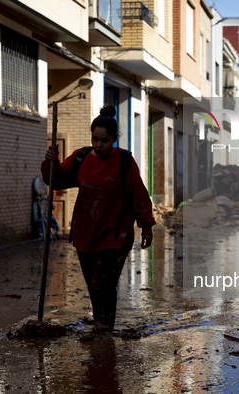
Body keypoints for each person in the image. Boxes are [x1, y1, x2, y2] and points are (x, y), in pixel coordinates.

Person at [42, 105, 155, 335]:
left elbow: (138, 194)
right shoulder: (81, 157)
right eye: (95, 139)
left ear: (114, 138)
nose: (98, 144)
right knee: (93, 285)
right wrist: (50, 163)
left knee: (103, 284)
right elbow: (58, 180)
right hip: (86, 232)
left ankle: (104, 331)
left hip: (115, 234)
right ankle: (102, 324)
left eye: (104, 140)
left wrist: (146, 226)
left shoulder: (124, 161)